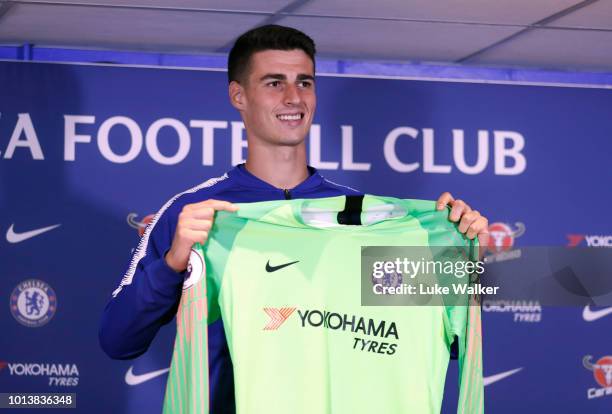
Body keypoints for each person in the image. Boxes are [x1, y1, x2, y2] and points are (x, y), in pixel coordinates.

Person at [99, 24, 489, 413]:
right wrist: (172, 264)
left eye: (304, 82)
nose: (293, 97)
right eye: (274, 83)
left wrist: (464, 262)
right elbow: (117, 340)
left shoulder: (367, 219)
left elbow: (440, 342)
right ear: (239, 95)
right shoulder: (195, 213)